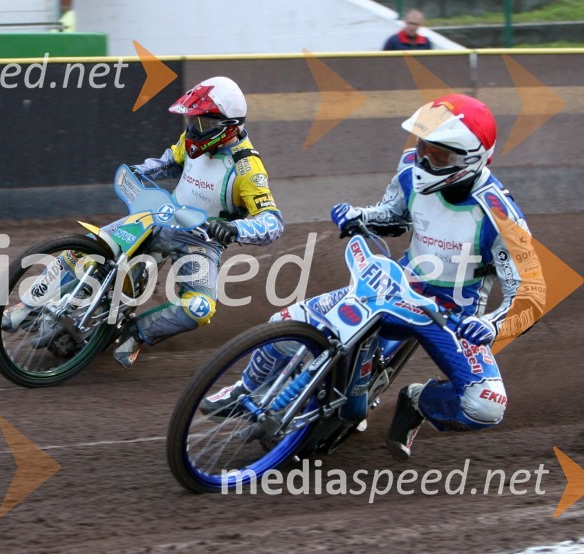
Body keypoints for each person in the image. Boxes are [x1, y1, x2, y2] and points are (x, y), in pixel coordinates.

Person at [202, 94, 545, 462]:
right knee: (285, 324)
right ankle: (246, 388)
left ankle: (419, 402)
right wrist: (359, 216)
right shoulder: (411, 170)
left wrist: (492, 325)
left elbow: (531, 293)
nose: (424, 158)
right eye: (422, 146)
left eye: (439, 155)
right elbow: (393, 216)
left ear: (470, 159)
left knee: (485, 406)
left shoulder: (501, 216)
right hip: (397, 286)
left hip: (453, 318)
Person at [105, 76, 284, 368]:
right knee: (102, 244)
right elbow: (171, 160)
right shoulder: (193, 139)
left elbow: (273, 222)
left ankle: (136, 333)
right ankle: (32, 301)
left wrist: (233, 228)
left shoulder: (247, 169)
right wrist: (140, 169)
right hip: (161, 215)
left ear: (227, 126)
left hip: (200, 242)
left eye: (202, 123)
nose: (193, 129)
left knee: (199, 309)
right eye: (192, 120)